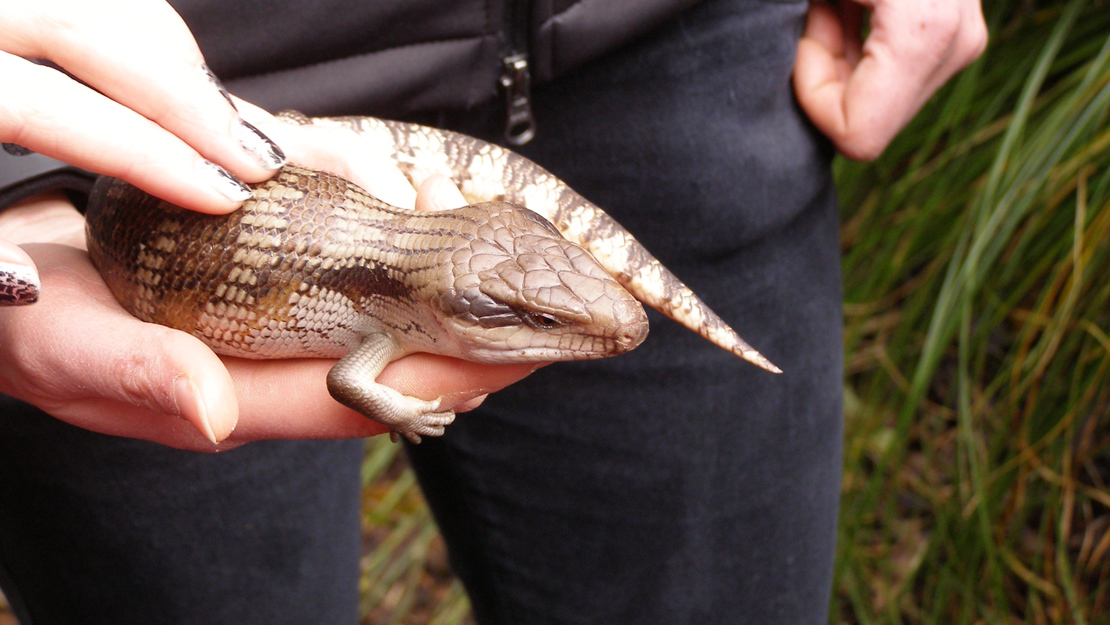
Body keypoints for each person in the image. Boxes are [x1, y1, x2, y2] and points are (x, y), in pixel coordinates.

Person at [0, 1, 986, 623]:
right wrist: (13, 158)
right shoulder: (393, 304)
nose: (605, 327)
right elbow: (361, 370)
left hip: (679, 51)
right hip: (141, 119)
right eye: (538, 318)